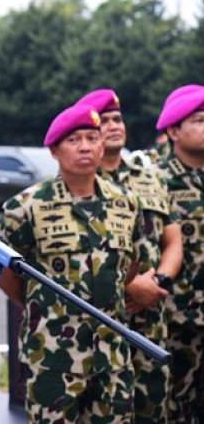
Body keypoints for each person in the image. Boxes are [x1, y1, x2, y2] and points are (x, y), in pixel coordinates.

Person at [0, 104, 149, 423]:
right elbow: (7, 272)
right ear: (54, 150)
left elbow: (132, 266)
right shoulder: (25, 208)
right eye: (74, 139)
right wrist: (44, 306)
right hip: (53, 356)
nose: (85, 147)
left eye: (92, 138)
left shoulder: (127, 204)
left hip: (113, 359)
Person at [76, 88, 182, 423]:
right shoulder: (79, 182)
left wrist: (158, 281)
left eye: (117, 119)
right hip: (101, 321)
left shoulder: (150, 179)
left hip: (151, 315)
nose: (113, 126)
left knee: (153, 408)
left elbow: (173, 240)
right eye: (103, 121)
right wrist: (127, 287)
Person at [155, 85, 204, 422]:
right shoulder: (156, 182)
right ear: (173, 131)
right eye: (199, 121)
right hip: (179, 319)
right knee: (177, 408)